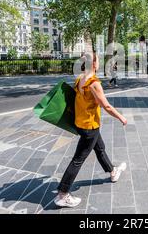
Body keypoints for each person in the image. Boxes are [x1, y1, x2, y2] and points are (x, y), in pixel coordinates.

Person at [54, 52, 128, 208]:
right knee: (78, 159)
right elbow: (106, 106)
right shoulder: (94, 83)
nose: (100, 63)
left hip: (81, 124)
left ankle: (113, 171)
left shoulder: (80, 79)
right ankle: (62, 194)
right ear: (94, 64)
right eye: (99, 61)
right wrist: (121, 117)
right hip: (90, 127)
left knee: (100, 148)